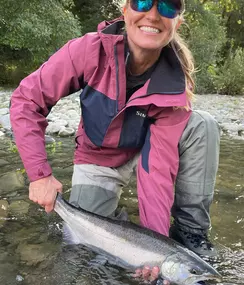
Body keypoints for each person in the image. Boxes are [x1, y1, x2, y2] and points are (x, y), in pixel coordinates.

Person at [10, 0, 220, 281]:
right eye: (143, 2)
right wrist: (39, 174)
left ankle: (190, 233)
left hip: (147, 153)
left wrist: (154, 246)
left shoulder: (174, 85)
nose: (154, 15)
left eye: (168, 8)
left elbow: (156, 169)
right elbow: (26, 100)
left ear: (176, 24)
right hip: (99, 157)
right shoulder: (88, 51)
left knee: (202, 124)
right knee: (82, 250)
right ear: (125, 11)